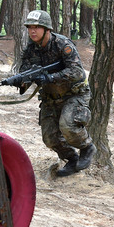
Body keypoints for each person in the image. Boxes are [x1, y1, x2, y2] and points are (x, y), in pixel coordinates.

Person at [14, 10, 96, 176]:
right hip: (50, 98)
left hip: (74, 95)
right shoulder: (31, 49)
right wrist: (20, 81)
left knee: (68, 127)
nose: (32, 31)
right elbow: (25, 72)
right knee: (49, 138)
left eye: (37, 27)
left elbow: (77, 72)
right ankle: (71, 159)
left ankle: (87, 148)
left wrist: (50, 77)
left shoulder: (62, 45)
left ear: (47, 29)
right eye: (30, 27)